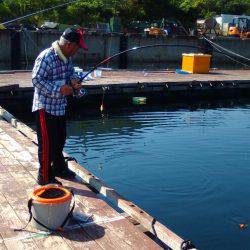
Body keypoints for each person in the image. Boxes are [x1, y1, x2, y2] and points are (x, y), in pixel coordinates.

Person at [32, 28, 88, 185]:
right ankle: (44, 176)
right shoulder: (46, 57)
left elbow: (70, 74)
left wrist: (74, 82)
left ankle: (59, 168)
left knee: (60, 140)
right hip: (45, 107)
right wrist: (59, 89)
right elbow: (36, 80)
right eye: (77, 48)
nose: (77, 51)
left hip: (60, 106)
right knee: (46, 143)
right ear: (69, 45)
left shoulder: (67, 58)